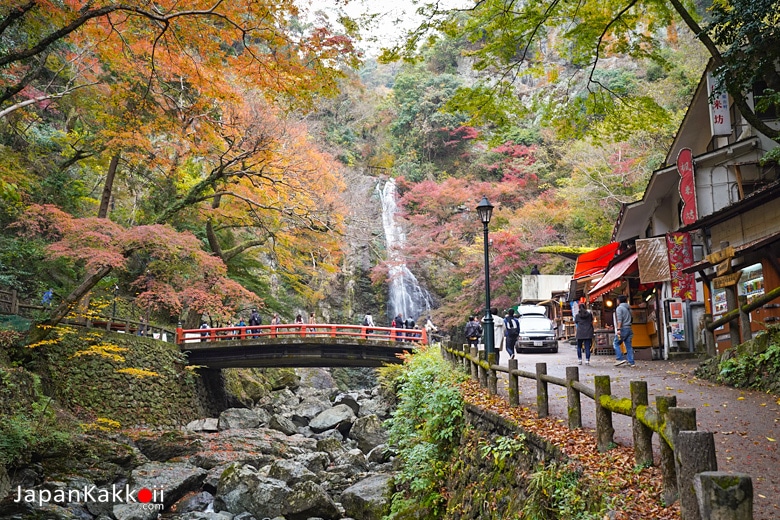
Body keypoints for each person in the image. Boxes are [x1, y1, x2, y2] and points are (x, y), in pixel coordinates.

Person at [613, 295, 636, 367]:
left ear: (619, 300)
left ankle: (620, 358)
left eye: (617, 300)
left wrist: (618, 329)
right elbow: (632, 318)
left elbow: (620, 320)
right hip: (629, 328)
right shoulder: (629, 308)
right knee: (628, 346)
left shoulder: (619, 308)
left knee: (615, 343)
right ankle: (631, 362)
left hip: (623, 329)